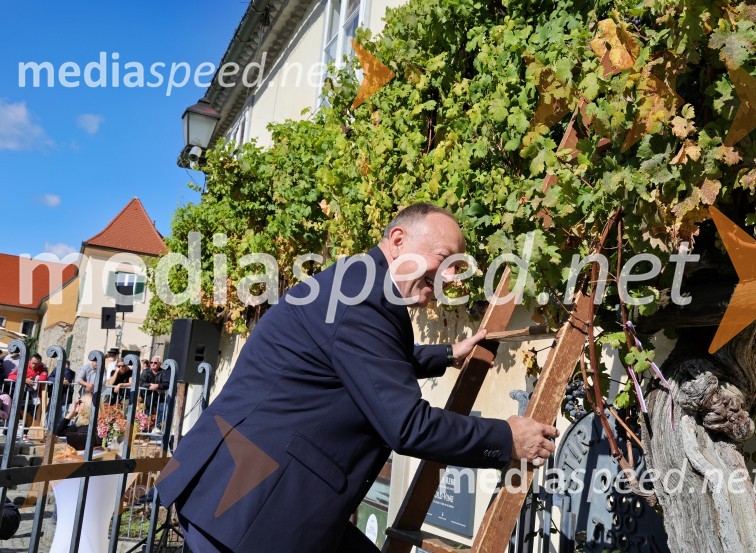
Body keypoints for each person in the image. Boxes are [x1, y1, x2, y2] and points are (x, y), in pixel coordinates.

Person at [156, 203, 558, 553]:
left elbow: (355, 358)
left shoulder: (356, 283)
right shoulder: (365, 302)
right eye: (444, 258)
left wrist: (444, 355)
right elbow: (408, 426)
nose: (452, 279)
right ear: (398, 239)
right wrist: (507, 438)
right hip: (252, 507)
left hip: (242, 486)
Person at [139, 356, 169, 426]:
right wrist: (151, 385)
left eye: (155, 363)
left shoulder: (163, 372)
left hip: (159, 398)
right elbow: (141, 383)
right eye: (151, 362)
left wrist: (157, 386)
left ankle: (158, 431)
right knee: (145, 416)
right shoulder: (145, 371)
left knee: (161, 415)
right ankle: (144, 432)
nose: (153, 364)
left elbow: (167, 384)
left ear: (159, 364)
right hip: (146, 398)